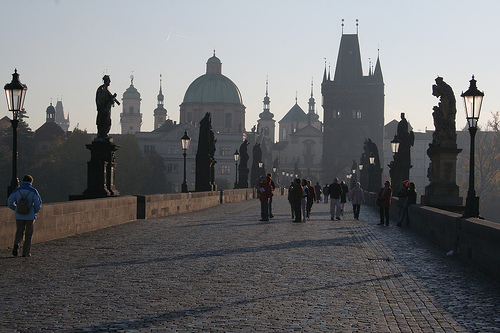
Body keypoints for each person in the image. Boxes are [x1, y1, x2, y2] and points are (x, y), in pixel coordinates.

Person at [8, 175, 42, 257]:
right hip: (30, 215)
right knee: (28, 234)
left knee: (19, 232)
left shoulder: (17, 190)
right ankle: (26, 252)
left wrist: (15, 208)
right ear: (31, 182)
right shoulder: (33, 191)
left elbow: (9, 201)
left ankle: (17, 243)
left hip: (19, 215)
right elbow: (38, 203)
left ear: (23, 181)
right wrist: (34, 211)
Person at [95, 75, 119, 139]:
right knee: (103, 123)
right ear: (106, 81)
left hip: (107, 109)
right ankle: (102, 135)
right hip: (103, 110)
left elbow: (108, 98)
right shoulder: (101, 89)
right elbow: (100, 100)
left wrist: (112, 98)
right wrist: (109, 102)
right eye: (109, 80)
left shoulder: (107, 89)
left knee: (107, 122)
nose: (110, 82)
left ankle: (105, 134)